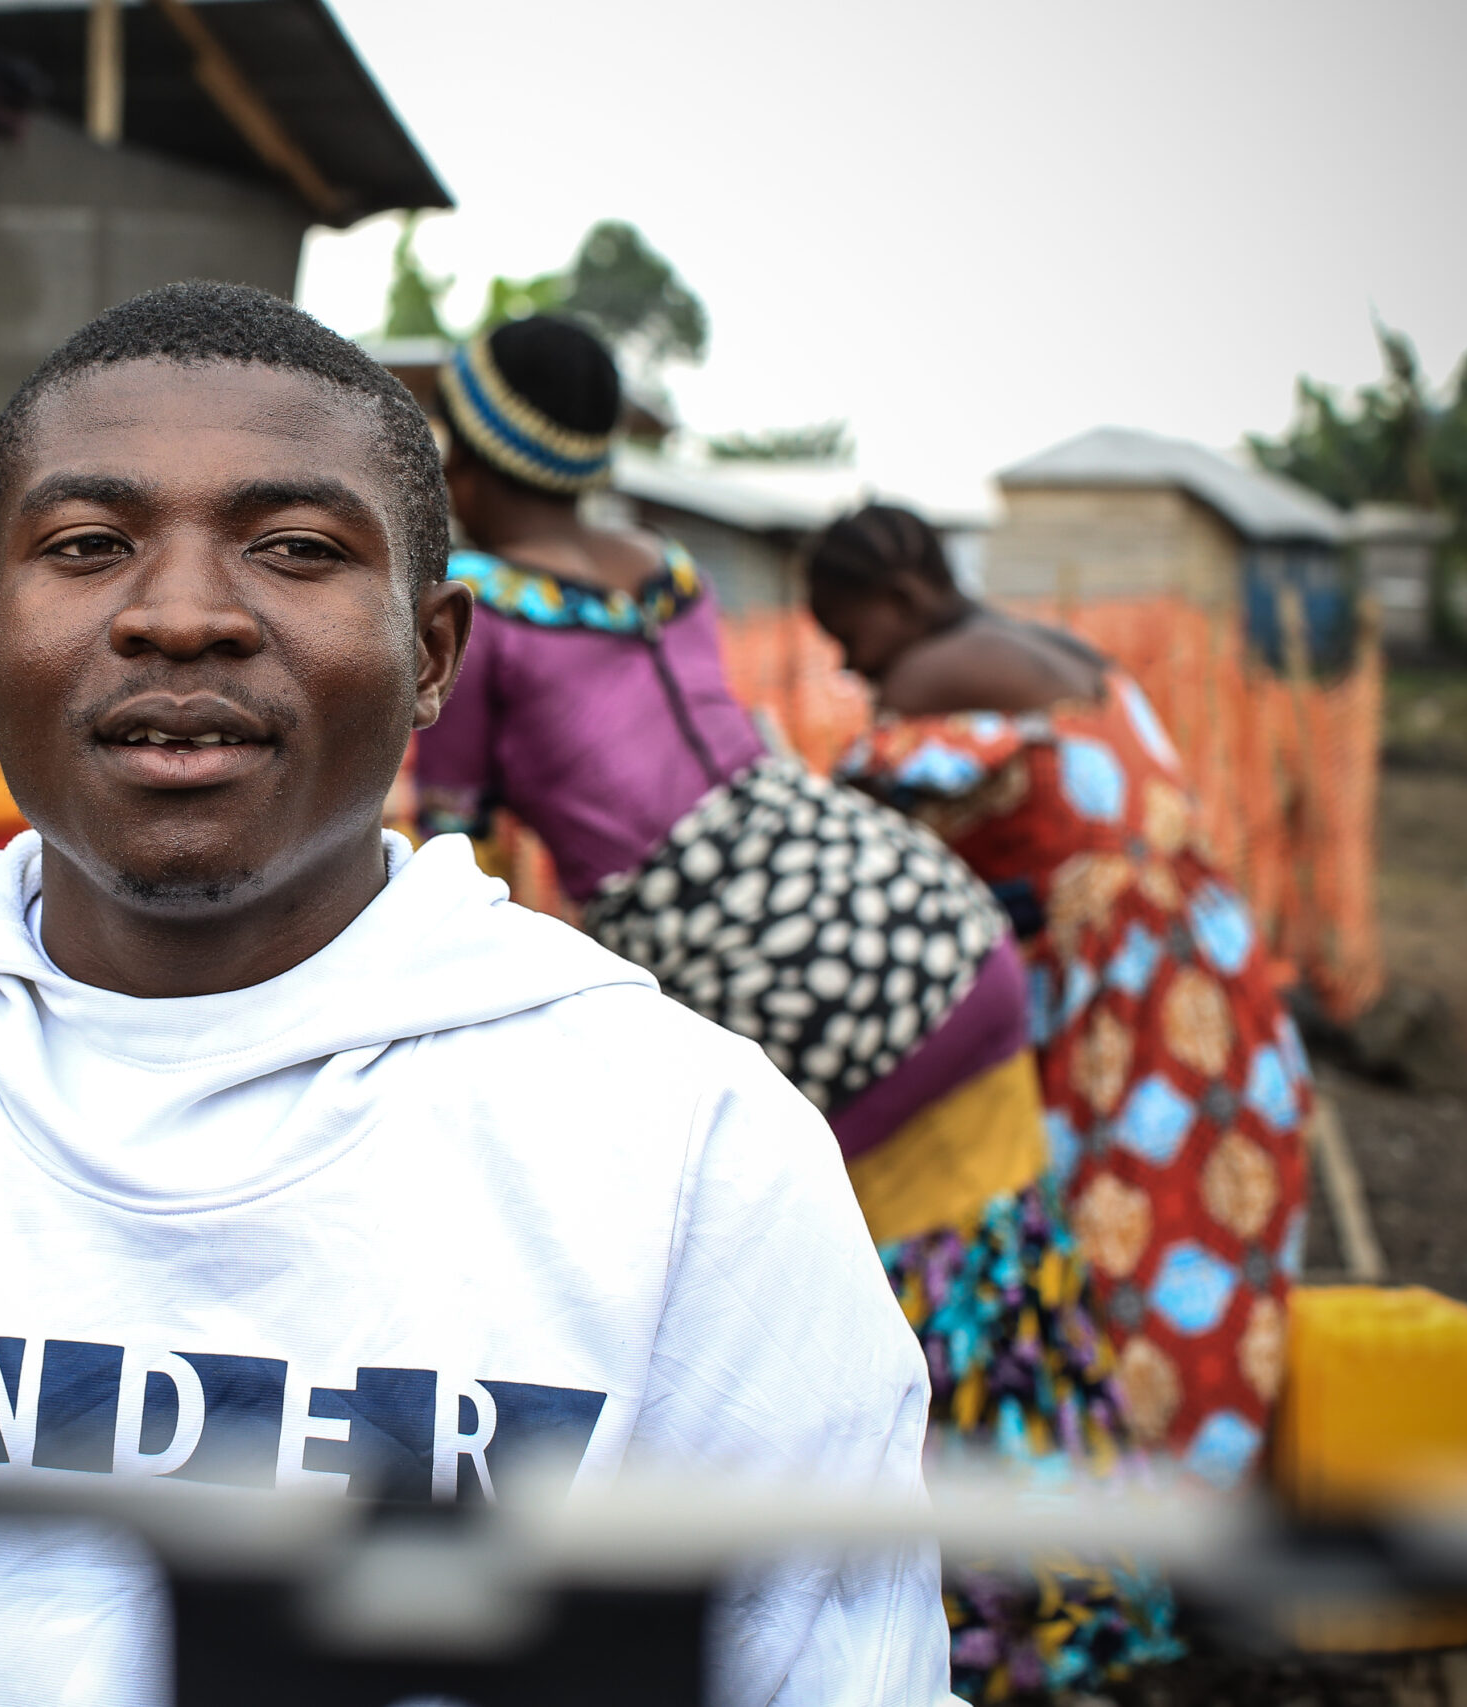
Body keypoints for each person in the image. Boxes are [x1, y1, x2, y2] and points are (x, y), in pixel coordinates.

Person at [0, 283, 954, 1706]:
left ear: (432, 652)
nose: (182, 616)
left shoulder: (685, 1152)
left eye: (298, 547)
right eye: (89, 544)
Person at [414, 319, 1176, 1698]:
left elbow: (452, 861)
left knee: (858, 1344)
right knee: (993, 1297)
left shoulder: (470, 605)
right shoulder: (671, 571)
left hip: (800, 990)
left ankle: (954, 1639)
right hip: (923, 918)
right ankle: (1069, 1620)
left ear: (464, 457)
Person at [811, 503, 1313, 1498]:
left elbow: (859, 837)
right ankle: (1184, 1485)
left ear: (901, 600)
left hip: (1127, 996)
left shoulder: (928, 675)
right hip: (1204, 963)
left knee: (1115, 1219)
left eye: (848, 636)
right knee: (1196, 1213)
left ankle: (1111, 1504)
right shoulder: (1034, 641)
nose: (851, 668)